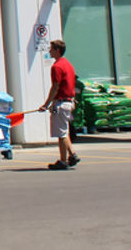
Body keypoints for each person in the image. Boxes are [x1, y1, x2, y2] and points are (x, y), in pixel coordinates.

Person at [38, 39, 81, 170]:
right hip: (68, 101)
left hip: (62, 102)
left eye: (51, 49)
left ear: (57, 50)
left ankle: (63, 160)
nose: (49, 51)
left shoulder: (57, 67)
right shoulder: (68, 64)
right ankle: (72, 154)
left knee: (61, 134)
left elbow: (55, 86)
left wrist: (46, 104)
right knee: (63, 130)